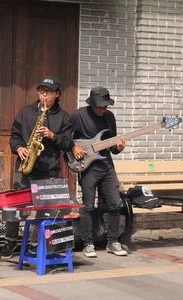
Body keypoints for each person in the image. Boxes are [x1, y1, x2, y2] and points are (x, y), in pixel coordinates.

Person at [0, 75, 83, 259]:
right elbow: (14, 136)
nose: (43, 95)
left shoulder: (63, 117)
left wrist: (53, 135)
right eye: (41, 91)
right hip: (25, 168)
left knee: (42, 209)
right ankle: (10, 242)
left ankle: (35, 244)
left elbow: (68, 143)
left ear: (57, 94)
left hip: (48, 170)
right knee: (15, 205)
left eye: (48, 92)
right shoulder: (25, 112)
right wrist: (19, 147)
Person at [69, 86, 128, 257]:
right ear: (91, 104)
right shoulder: (78, 115)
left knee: (114, 203)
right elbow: (64, 136)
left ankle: (113, 242)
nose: (102, 110)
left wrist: (119, 147)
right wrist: (73, 147)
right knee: (88, 205)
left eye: (105, 106)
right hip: (87, 166)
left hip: (106, 165)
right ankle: (88, 243)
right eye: (99, 107)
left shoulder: (110, 117)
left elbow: (113, 147)